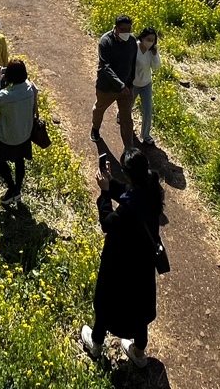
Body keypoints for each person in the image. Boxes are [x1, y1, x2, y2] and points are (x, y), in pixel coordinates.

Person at [82, 147, 165, 368]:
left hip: (120, 262)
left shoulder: (128, 209)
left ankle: (96, 344)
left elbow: (108, 223)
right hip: (143, 264)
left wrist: (104, 193)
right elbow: (129, 192)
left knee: (106, 301)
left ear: (128, 175)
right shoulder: (151, 189)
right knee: (140, 309)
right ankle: (139, 352)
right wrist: (111, 185)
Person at [0, 59, 37, 206]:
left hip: (8, 137)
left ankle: (12, 189)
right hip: (25, 134)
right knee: (20, 161)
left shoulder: (6, 96)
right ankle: (18, 190)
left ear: (9, 76)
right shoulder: (30, 88)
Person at [92, 14, 138, 148]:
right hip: (107, 87)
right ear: (115, 28)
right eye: (123, 30)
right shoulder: (105, 42)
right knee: (99, 109)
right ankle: (95, 128)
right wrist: (120, 85)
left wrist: (130, 83)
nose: (126, 33)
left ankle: (129, 149)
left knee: (126, 119)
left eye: (128, 29)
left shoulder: (132, 41)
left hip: (126, 89)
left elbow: (133, 63)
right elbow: (105, 67)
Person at [133, 29, 161, 146]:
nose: (150, 42)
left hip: (146, 84)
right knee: (128, 105)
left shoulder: (152, 51)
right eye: (148, 39)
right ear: (142, 38)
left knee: (148, 110)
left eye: (152, 40)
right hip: (133, 83)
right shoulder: (134, 47)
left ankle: (145, 135)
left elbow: (156, 67)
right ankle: (122, 115)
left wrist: (155, 55)